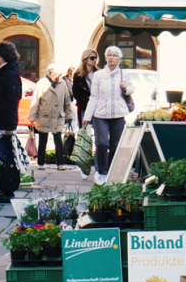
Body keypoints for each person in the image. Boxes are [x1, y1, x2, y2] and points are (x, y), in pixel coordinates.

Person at [84, 45, 135, 184]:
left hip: (118, 114)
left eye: (114, 55)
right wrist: (87, 116)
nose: (111, 58)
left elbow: (131, 89)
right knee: (102, 143)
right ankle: (101, 172)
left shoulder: (124, 74)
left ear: (119, 59)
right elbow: (93, 96)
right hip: (100, 114)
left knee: (115, 145)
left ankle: (112, 171)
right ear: (105, 58)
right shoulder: (98, 75)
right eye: (109, 55)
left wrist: (126, 88)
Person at [0, 41, 23, 203]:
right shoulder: (0, 72)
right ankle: (5, 190)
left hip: (2, 122)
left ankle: (7, 191)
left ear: (3, 56)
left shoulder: (9, 73)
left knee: (5, 157)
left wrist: (10, 125)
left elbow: (13, 99)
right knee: (3, 156)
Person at [28, 63, 73, 171]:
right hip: (44, 115)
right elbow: (36, 100)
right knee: (43, 140)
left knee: (58, 140)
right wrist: (32, 117)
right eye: (55, 74)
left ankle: (60, 164)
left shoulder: (62, 83)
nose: (57, 76)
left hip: (58, 116)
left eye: (59, 74)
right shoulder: (42, 83)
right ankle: (41, 163)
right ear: (49, 73)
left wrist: (69, 115)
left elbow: (67, 101)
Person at [71, 49, 98, 124]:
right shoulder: (78, 75)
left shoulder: (99, 73)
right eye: (92, 58)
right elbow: (76, 93)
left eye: (96, 58)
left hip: (98, 107)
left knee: (98, 131)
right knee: (85, 131)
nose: (94, 60)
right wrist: (87, 99)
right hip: (84, 106)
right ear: (85, 59)